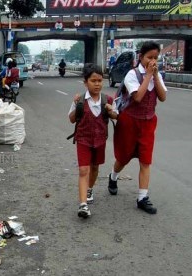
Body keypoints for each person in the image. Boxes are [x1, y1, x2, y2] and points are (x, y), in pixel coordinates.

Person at [108, 41, 167, 215]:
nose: (153, 61)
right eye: (149, 57)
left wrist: (155, 76)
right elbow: (138, 97)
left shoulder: (157, 75)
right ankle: (113, 176)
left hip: (148, 122)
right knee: (124, 157)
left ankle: (142, 197)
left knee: (145, 160)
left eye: (156, 57)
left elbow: (162, 97)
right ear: (141, 57)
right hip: (129, 122)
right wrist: (148, 75)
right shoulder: (132, 75)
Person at [68, 64, 118, 218]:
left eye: (99, 80)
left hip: (100, 140)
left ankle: (89, 188)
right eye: (93, 81)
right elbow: (71, 119)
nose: (97, 84)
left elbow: (116, 116)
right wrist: (76, 105)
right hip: (83, 139)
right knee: (84, 170)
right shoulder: (80, 100)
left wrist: (111, 111)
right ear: (85, 82)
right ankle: (83, 205)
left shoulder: (108, 99)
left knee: (95, 167)